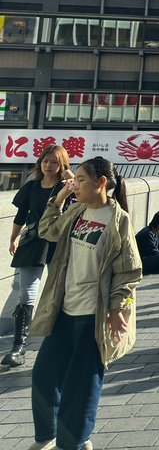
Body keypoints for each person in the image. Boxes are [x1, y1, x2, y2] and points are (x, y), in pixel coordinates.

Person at [30, 156, 141, 450]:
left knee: (82, 386)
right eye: (74, 180)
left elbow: (129, 271)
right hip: (63, 308)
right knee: (43, 375)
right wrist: (60, 199)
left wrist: (117, 307)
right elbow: (47, 231)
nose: (74, 184)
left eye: (80, 180)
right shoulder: (76, 210)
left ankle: (74, 443)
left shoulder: (119, 220)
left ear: (101, 182)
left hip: (93, 314)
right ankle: (47, 436)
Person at [4, 144, 72, 368]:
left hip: (58, 241)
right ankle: (18, 347)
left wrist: (68, 175)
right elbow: (21, 214)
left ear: (61, 165)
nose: (48, 166)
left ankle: (62, 342)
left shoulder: (67, 187)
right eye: (45, 161)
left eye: (54, 162)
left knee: (60, 292)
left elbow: (78, 189)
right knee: (26, 294)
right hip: (33, 241)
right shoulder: (32, 185)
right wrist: (14, 238)